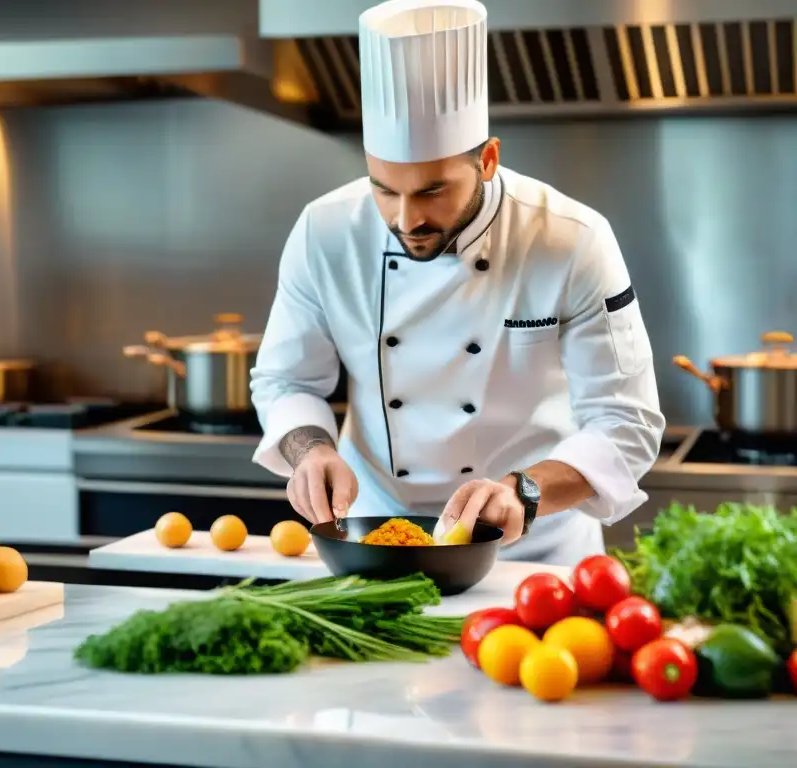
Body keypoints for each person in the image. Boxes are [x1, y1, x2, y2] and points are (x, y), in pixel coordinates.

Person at [249, 0, 665, 565]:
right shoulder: (324, 231)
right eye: (384, 189)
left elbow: (626, 422)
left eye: (431, 192)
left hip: (531, 551)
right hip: (377, 539)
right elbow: (284, 380)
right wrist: (311, 450)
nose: (404, 220)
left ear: (488, 160)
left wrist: (527, 492)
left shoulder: (572, 239)